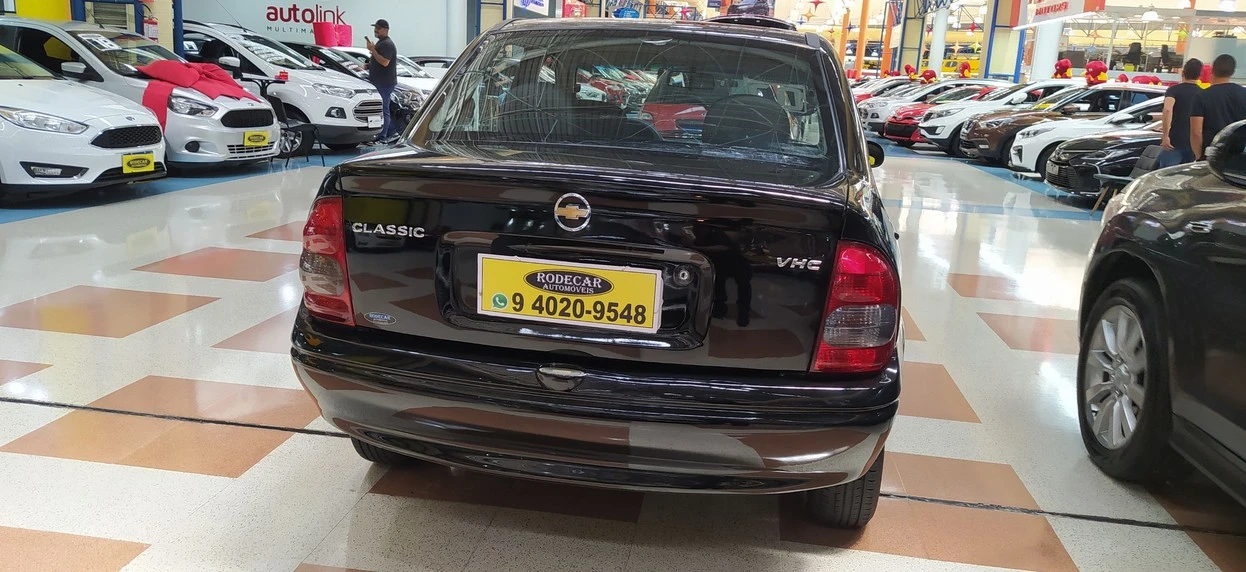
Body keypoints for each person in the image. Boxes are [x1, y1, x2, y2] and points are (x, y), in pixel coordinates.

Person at [1191, 54, 1246, 160]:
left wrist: (1198, 156)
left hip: (1210, 154)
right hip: (1238, 154)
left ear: (1212, 70)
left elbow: (1196, 131)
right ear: (1233, 72)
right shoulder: (1243, 94)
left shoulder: (1202, 96)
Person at [1160, 58, 1202, 166]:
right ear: (1199, 76)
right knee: (1184, 174)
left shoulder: (1173, 90)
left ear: (1183, 73)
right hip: (1192, 143)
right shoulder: (1202, 93)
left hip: (1174, 141)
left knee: (1166, 173)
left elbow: (1167, 110)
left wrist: (1165, 135)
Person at [365, 19, 399, 144]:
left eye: (378, 28)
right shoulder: (382, 43)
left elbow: (385, 62)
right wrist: (369, 65)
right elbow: (381, 61)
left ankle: (382, 137)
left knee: (383, 110)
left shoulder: (387, 44)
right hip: (381, 82)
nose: (375, 30)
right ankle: (391, 133)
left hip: (384, 83)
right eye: (375, 28)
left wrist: (373, 50)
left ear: (386, 29)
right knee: (384, 108)